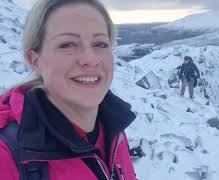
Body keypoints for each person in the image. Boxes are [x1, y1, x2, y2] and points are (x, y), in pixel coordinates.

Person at [0, 0, 137, 179]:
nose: (91, 59)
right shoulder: (7, 155)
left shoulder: (113, 128)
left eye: (100, 44)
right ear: (35, 60)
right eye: (68, 44)